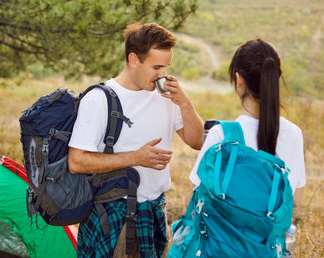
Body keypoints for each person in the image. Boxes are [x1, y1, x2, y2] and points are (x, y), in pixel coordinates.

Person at [68, 22, 203, 257]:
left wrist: (184, 102)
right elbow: (77, 162)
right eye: (156, 67)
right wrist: (135, 158)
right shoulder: (99, 100)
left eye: (166, 67)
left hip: (154, 211)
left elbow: (198, 141)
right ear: (133, 59)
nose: (163, 74)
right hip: (112, 215)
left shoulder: (167, 98)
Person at [189, 38, 306, 212]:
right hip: (270, 239)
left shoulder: (222, 134)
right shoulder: (294, 133)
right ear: (277, 79)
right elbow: (295, 198)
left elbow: (193, 201)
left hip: (225, 238)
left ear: (238, 79)